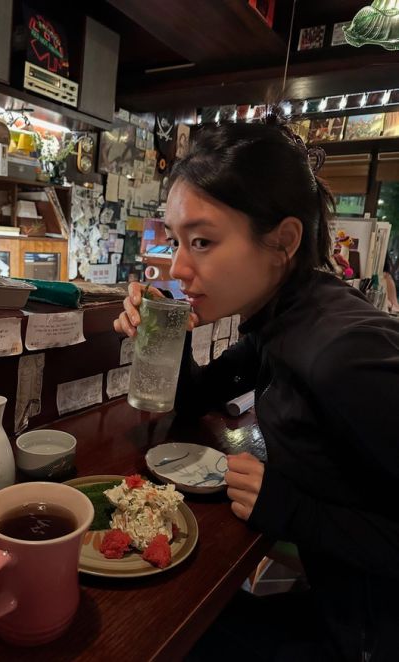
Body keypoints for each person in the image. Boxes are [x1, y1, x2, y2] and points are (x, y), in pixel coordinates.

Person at [114, 119, 399, 661]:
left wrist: (290, 509)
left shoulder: (340, 353)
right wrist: (165, 329)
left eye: (202, 242)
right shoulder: (282, 319)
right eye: (176, 242)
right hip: (337, 607)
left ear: (283, 241)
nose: (178, 267)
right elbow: (196, 398)